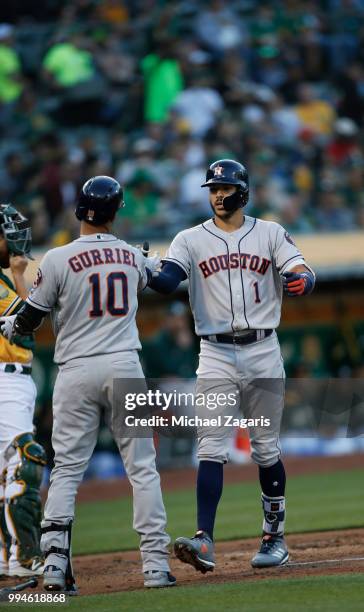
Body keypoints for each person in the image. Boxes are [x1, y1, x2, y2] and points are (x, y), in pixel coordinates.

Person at [0, 176, 175, 592]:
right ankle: (155, 566)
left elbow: (29, 320)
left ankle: (56, 569)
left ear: (79, 210)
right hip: (124, 365)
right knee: (143, 469)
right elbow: (167, 282)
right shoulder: (132, 256)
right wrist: (148, 263)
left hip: (76, 370)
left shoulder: (58, 259)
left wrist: (10, 322)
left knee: (66, 472)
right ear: (116, 212)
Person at [147, 159, 315, 572]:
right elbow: (169, 279)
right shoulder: (189, 239)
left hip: (262, 348)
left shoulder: (270, 232)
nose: (218, 195)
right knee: (210, 446)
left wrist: (303, 279)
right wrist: (144, 269)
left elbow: (301, 268)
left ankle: (274, 538)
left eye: (224, 188)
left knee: (265, 447)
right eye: (212, 188)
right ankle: (204, 539)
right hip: (216, 353)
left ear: (243, 191)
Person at [0, 203, 46, 578]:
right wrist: (20, 275)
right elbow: (29, 322)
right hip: (5, 378)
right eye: (5, 232)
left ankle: (9, 558)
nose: (13, 238)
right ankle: (25, 557)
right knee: (25, 460)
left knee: (5, 470)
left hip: (11, 377)